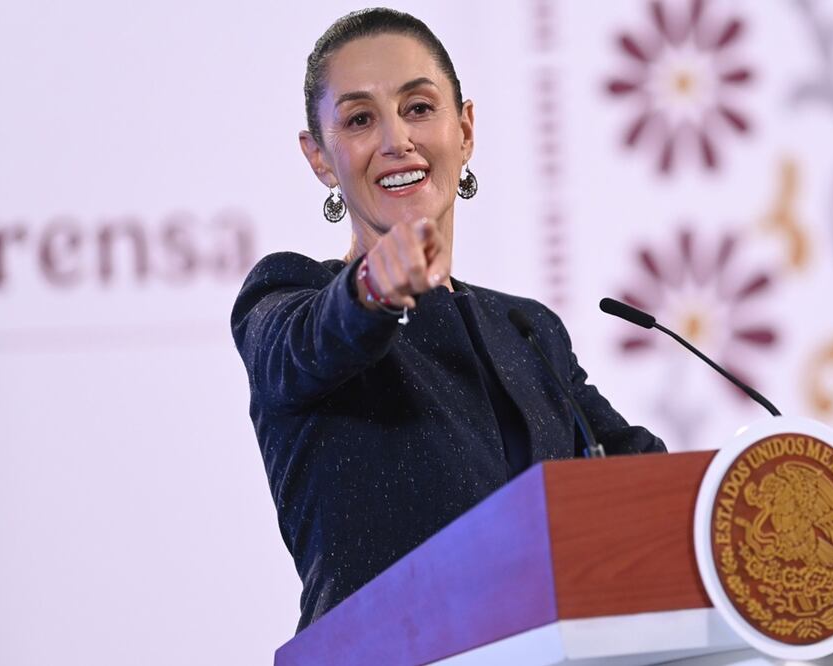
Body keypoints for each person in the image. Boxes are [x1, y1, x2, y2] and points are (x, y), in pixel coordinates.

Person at [230, 8, 666, 633]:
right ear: (321, 157)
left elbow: (642, 479)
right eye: (358, 120)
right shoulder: (291, 293)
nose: (394, 141)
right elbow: (304, 346)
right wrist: (374, 286)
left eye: (418, 108)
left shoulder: (527, 330)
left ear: (464, 129)